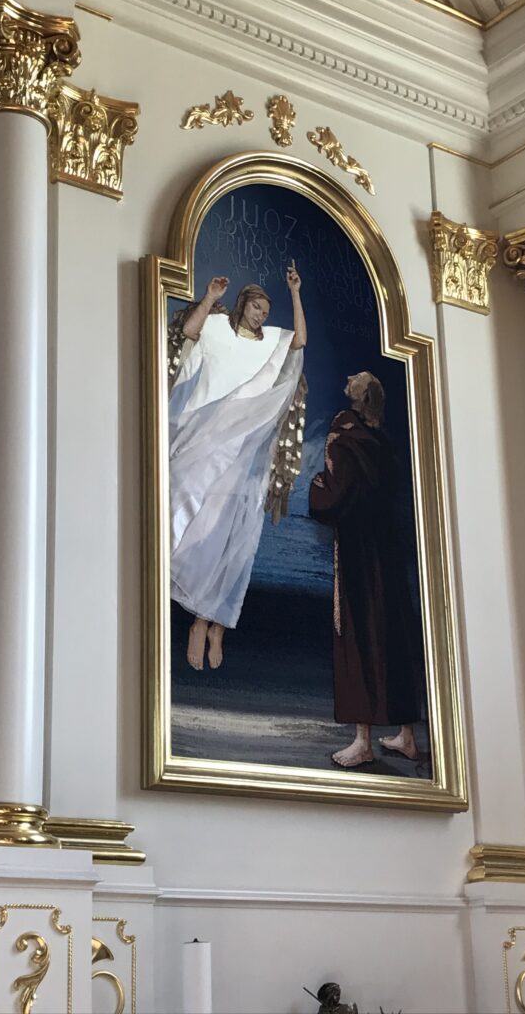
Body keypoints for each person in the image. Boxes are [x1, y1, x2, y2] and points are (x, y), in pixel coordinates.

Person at [169, 264, 306, 670]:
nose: (261, 315)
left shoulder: (271, 344)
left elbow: (299, 340)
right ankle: (200, 614)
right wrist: (210, 297)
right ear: (243, 304)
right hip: (203, 434)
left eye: (266, 311)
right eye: (257, 307)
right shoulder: (217, 327)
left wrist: (295, 293)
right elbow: (190, 331)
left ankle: (211, 623)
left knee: (228, 533)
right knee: (188, 515)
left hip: (240, 450)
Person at [308, 372, 423, 768]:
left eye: (354, 380)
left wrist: (316, 486)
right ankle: (407, 736)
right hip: (389, 550)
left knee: (359, 636)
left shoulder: (344, 436)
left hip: (359, 551)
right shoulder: (384, 443)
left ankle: (363, 742)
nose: (347, 377)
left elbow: (332, 495)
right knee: (395, 635)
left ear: (357, 398)